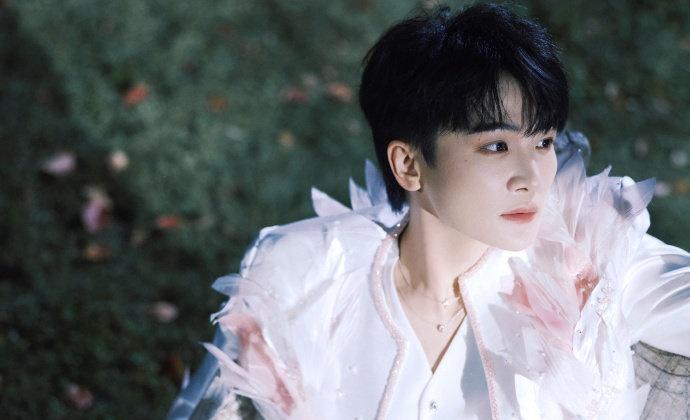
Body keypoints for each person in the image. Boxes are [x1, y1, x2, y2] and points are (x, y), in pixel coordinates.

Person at [167, 3, 690, 419]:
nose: (532, 177)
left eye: (544, 142)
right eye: (496, 146)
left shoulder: (595, 266)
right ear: (409, 165)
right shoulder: (307, 276)